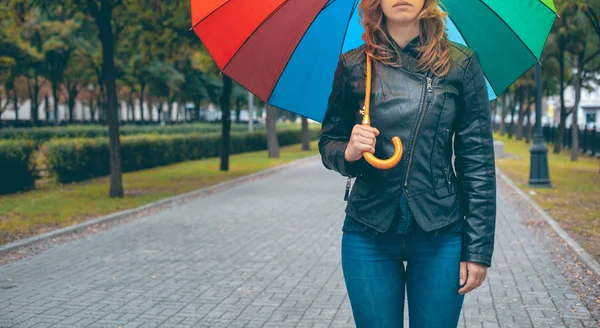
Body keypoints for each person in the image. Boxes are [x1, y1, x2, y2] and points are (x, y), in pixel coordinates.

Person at [318, 0, 497, 327]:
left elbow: (478, 165)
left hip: (440, 231)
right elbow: (328, 140)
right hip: (368, 229)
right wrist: (348, 151)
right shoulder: (355, 65)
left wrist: (478, 249)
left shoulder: (460, 64)